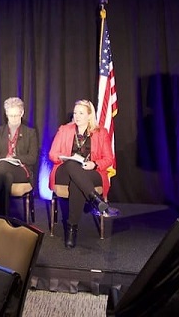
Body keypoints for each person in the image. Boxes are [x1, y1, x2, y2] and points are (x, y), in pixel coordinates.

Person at [48, 99, 114, 248]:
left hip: (91, 172)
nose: (77, 116)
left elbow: (109, 159)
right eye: (75, 112)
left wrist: (94, 164)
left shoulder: (101, 132)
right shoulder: (65, 129)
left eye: (81, 113)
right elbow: (52, 154)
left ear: (89, 115)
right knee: (72, 164)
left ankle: (72, 229)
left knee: (77, 183)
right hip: (65, 170)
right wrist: (63, 158)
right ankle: (95, 199)